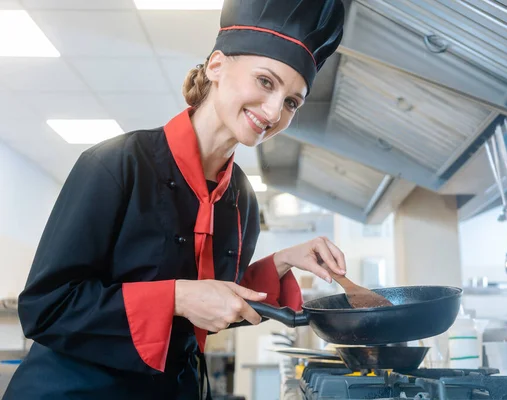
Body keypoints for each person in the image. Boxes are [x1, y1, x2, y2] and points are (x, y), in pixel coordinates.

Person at [2, 1, 346, 399]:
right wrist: (177, 297)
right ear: (216, 66)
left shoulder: (241, 200)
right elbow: (46, 308)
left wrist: (282, 262)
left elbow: (211, 308)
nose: (273, 112)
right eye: (266, 82)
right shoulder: (117, 164)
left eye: (291, 102)